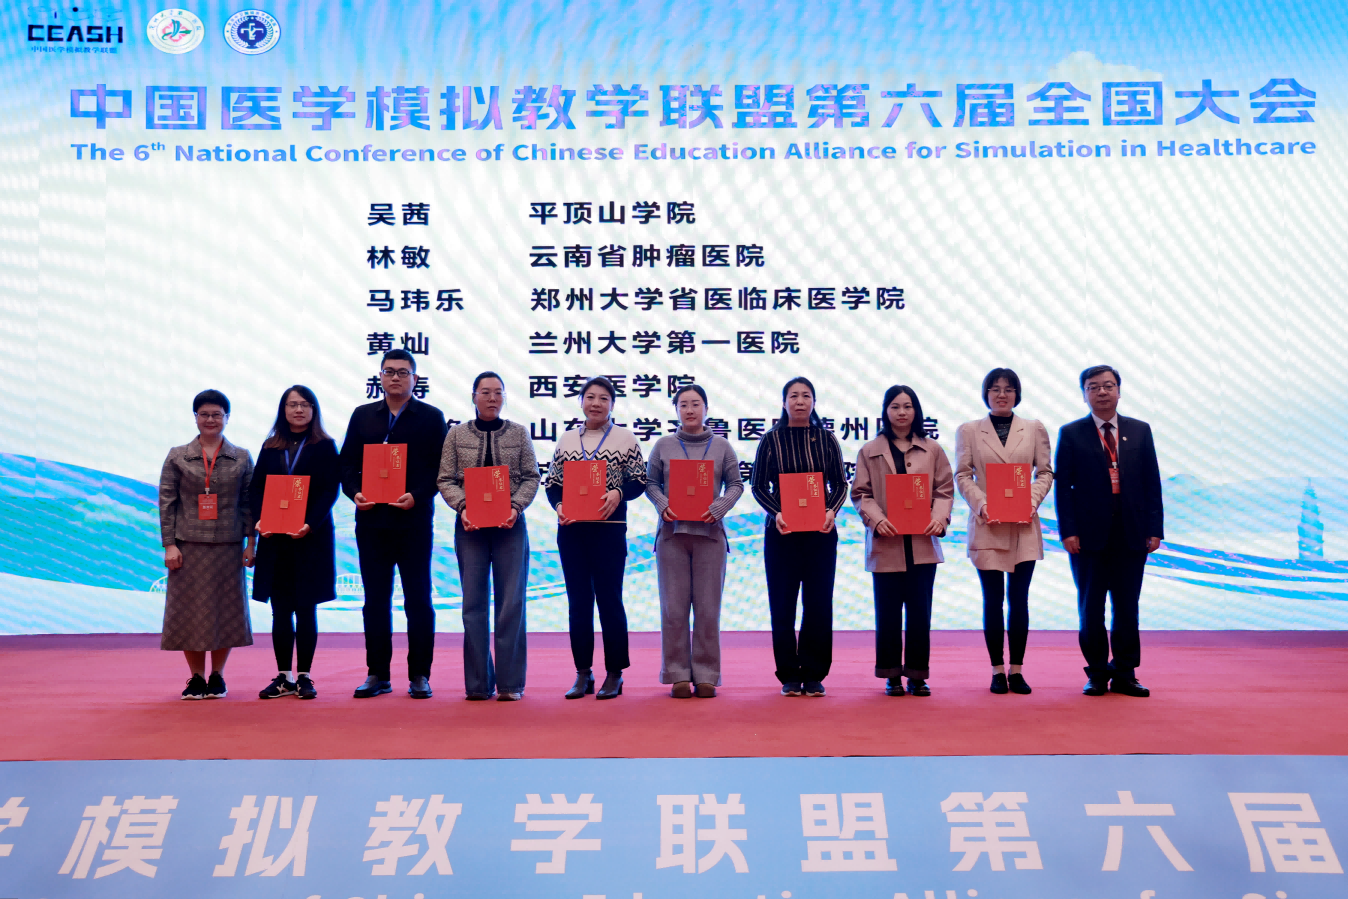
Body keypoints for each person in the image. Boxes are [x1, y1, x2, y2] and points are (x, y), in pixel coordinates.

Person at [339, 349, 448, 700]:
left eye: (403, 372)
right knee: (375, 601)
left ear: (415, 378)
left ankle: (420, 674)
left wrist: (417, 495)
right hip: (372, 521)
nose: (396, 377)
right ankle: (377, 674)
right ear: (380, 377)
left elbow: (441, 469)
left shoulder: (431, 417)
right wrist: (355, 492)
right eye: (389, 371)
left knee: (418, 599)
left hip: (413, 520)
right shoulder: (363, 416)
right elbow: (346, 464)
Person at [1055, 365, 1164, 698]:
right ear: (1084, 394)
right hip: (1088, 536)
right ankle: (1098, 673)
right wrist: (1068, 531)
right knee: (1091, 608)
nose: (1102, 392)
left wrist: (1154, 528)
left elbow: (1151, 482)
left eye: (1108, 386)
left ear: (1119, 390)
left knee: (1127, 607)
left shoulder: (1140, 430)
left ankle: (1126, 672)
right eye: (1093, 387)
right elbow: (1064, 489)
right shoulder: (1071, 433)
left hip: (1132, 533)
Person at [437, 372, 539, 701]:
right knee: (473, 605)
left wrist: (516, 507)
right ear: (473, 397)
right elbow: (445, 479)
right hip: (470, 528)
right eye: (485, 392)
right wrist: (463, 507)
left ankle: (510, 684)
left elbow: (531, 477)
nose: (492, 398)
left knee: (511, 604)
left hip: (511, 527)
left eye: (498, 392)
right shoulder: (456, 434)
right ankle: (478, 684)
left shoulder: (519, 433)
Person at [544, 377, 647, 700]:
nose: (596, 404)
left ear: (612, 404)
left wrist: (618, 492)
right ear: (581, 402)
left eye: (604, 398)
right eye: (590, 397)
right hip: (572, 530)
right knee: (578, 603)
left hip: (609, 529)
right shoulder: (567, 440)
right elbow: (552, 483)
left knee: (609, 600)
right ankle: (583, 673)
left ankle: (615, 673)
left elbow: (639, 480)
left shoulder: (625, 438)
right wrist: (559, 506)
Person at [954, 368, 1053, 696]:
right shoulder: (969, 430)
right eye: (995, 389)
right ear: (986, 393)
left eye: (1008, 389)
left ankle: (1018, 670)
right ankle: (997, 669)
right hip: (988, 524)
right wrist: (983, 505)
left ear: (1017, 394)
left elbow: (1045, 472)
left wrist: (1031, 501)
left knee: (1019, 599)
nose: (1001, 394)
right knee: (993, 599)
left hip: (1024, 524)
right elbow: (963, 475)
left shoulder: (1034, 428)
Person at [851, 385, 954, 697]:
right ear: (886, 411)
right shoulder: (869, 450)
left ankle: (918, 676)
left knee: (920, 614)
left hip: (922, 543)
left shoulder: (932, 449)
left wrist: (940, 518)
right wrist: (876, 519)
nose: (901, 412)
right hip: (886, 542)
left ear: (916, 411)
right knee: (888, 614)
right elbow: (861, 493)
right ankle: (891, 675)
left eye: (908, 406)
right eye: (895, 406)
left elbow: (944, 490)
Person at [750, 377, 848, 698]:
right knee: (782, 605)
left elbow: (840, 484)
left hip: (821, 533)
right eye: (793, 396)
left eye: (806, 396)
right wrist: (776, 513)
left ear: (814, 402)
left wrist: (831, 511)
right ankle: (789, 674)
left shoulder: (827, 439)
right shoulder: (771, 440)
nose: (800, 401)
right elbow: (757, 485)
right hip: (782, 533)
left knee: (818, 604)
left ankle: (814, 672)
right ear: (784, 403)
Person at [644, 385, 744, 698]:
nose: (689, 410)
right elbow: (650, 482)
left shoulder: (722, 446)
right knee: (674, 610)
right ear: (676, 410)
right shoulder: (663, 445)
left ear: (706, 409)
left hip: (710, 537)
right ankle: (677, 674)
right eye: (683, 404)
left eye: (695, 404)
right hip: (672, 536)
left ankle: (706, 674)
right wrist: (662, 504)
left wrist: (720, 507)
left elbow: (736, 485)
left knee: (708, 610)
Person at [158, 389, 256, 699]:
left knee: (225, 611)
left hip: (228, 545)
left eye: (217, 414)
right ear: (195, 418)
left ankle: (218, 676)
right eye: (204, 414)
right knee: (189, 612)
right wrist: (169, 544)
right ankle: (196, 677)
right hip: (188, 546)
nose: (210, 419)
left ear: (227, 417)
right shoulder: (177, 455)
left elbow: (249, 504)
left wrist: (251, 543)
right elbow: (167, 503)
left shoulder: (242, 457)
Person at [249, 386, 340, 701]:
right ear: (283, 410)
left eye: (304, 404)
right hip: (275, 539)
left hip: (309, 538)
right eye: (292, 405)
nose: (298, 410)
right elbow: (257, 488)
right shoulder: (271, 446)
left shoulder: (325, 446)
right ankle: (283, 676)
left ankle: (304, 676)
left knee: (306, 608)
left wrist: (309, 523)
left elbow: (330, 490)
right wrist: (260, 519)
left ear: (314, 410)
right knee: (280, 609)